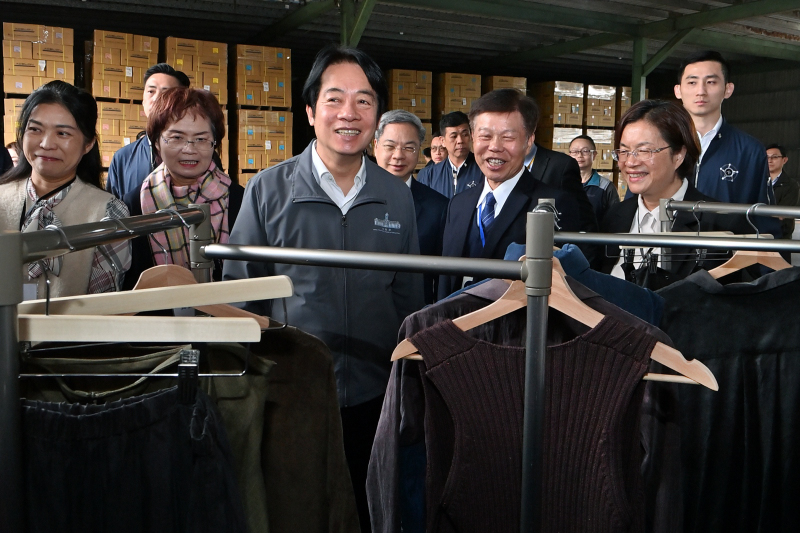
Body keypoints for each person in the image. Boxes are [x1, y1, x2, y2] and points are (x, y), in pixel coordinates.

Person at [222, 45, 423, 533]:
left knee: (368, 508)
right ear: (311, 111)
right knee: (297, 510)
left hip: (375, 393)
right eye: (335, 99)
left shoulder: (396, 196)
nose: (349, 113)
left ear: (376, 115)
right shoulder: (268, 191)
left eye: (364, 101)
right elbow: (241, 294)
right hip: (293, 391)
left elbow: (408, 297)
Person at [438, 89, 584, 299]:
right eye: (485, 136)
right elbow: (445, 280)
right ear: (473, 139)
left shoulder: (554, 205)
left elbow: (562, 290)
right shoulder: (458, 204)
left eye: (508, 137)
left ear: (529, 141)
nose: (495, 147)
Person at [0, 80, 131, 298]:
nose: (46, 144)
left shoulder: (107, 212)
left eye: (62, 133)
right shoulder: (2, 198)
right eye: (35, 129)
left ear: (88, 144)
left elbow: (102, 304)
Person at [600, 100, 749, 289]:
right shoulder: (614, 217)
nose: (630, 162)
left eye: (644, 151)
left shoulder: (721, 224)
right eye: (624, 151)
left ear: (678, 155)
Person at [122, 87, 243, 289]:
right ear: (157, 142)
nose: (189, 149)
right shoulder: (134, 205)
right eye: (177, 138)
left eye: (201, 139)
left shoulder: (241, 201)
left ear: (214, 143)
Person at [673, 50, 771, 207]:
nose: (701, 91)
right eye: (692, 82)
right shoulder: (660, 144)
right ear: (678, 90)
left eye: (711, 82)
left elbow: (762, 212)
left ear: (728, 89)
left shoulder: (750, 150)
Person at [373, 109, 448, 304]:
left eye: (408, 148)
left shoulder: (438, 207)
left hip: (415, 312)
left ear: (419, 151)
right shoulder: (352, 199)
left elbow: (443, 277)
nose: (398, 156)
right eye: (390, 146)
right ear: (375, 146)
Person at [106, 63, 190, 200]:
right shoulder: (123, 158)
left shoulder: (199, 153)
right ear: (143, 101)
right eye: (151, 91)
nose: (156, 99)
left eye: (166, 93)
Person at [416, 111, 483, 198]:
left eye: (465, 135)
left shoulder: (484, 169)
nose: (460, 141)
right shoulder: (428, 175)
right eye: (454, 136)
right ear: (443, 141)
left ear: (471, 136)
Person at [569, 134, 619, 223]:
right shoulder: (561, 183)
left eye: (585, 151)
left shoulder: (606, 187)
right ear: (569, 155)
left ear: (594, 155)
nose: (580, 155)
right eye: (575, 151)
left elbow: (615, 219)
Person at [765, 143, 799, 240]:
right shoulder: (756, 181)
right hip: (756, 233)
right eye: (767, 157)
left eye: (774, 157)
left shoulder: (791, 185)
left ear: (784, 160)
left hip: (780, 236)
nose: (770, 160)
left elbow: (782, 214)